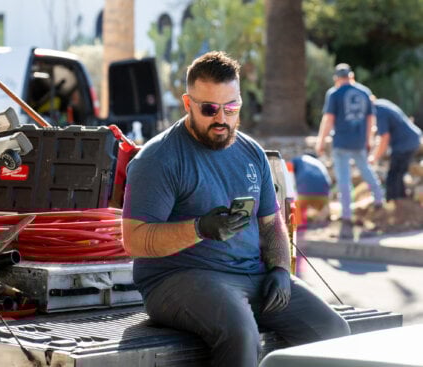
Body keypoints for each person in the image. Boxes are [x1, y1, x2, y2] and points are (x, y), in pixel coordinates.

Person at [122, 51, 350, 366]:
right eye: (210, 109)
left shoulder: (251, 152)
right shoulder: (158, 159)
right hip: (176, 279)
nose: (222, 119)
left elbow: (271, 225)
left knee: (333, 330)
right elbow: (134, 240)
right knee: (241, 333)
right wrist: (199, 229)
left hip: (249, 276)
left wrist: (281, 270)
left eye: (231, 108)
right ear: (188, 104)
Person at [315, 63, 384, 225]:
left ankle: (346, 215)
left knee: (343, 179)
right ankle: (379, 199)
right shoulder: (365, 92)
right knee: (366, 170)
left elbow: (328, 119)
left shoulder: (334, 94)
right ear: (351, 76)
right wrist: (369, 140)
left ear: (336, 79)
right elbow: (370, 119)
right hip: (359, 142)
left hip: (341, 142)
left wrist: (321, 141)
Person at [369, 97, 422, 201]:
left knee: (393, 176)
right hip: (411, 140)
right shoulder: (382, 104)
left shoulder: (379, 112)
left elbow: (384, 138)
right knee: (399, 173)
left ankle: (393, 202)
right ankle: (401, 199)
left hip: (404, 144)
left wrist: (374, 157)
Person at [288, 153, 332, 228]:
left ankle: (299, 221)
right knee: (323, 206)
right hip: (323, 196)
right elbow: (329, 182)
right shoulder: (319, 163)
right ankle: (323, 218)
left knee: (295, 198)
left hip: (304, 196)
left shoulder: (298, 159)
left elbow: (288, 171)